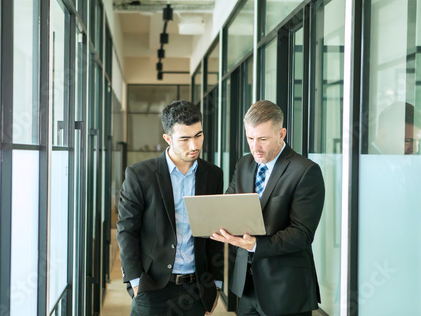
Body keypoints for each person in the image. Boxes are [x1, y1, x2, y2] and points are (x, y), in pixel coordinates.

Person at [211, 100, 325, 316]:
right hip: (246, 286)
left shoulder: (305, 171)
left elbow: (302, 234)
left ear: (281, 134)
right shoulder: (244, 164)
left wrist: (255, 245)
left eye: (263, 139)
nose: (255, 147)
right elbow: (230, 205)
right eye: (250, 138)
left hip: (285, 289)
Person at [117, 100, 224, 316]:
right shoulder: (140, 175)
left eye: (198, 135)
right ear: (168, 138)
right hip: (152, 286)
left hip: (195, 289)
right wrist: (136, 282)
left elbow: (215, 232)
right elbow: (127, 231)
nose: (194, 146)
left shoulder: (213, 175)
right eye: (184, 139)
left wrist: (216, 283)